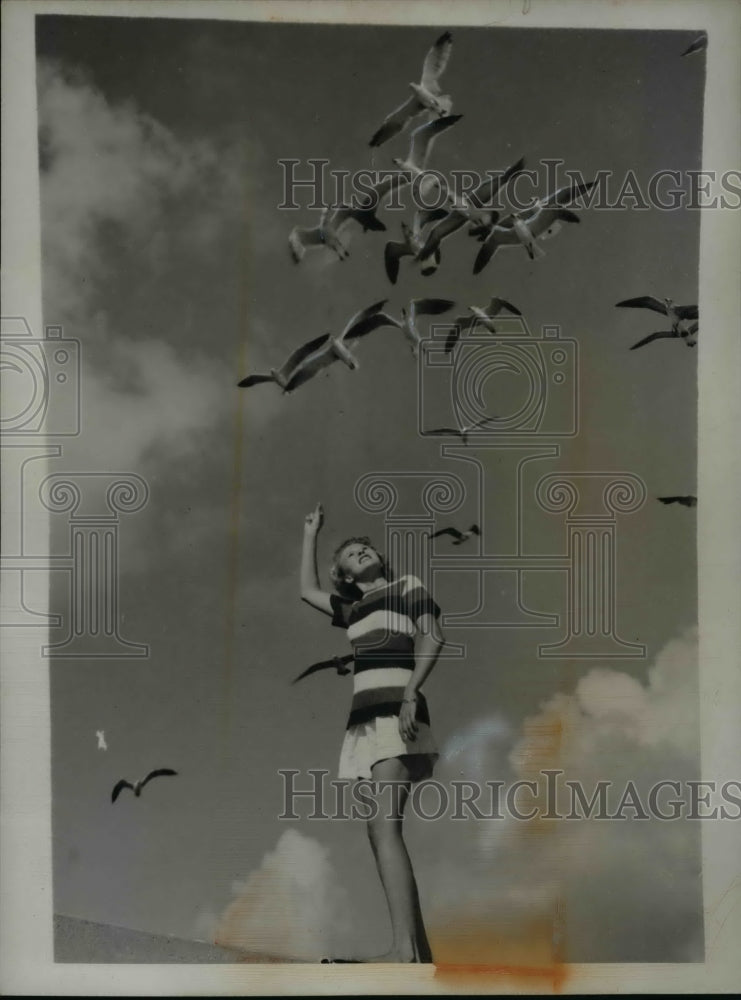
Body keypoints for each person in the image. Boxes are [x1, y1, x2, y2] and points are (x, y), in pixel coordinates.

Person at [300, 501, 445, 963]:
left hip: (397, 712)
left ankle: (405, 953)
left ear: (380, 559)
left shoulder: (407, 586)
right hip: (366, 719)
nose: (361, 553)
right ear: (343, 575)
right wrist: (311, 534)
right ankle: (419, 953)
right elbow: (306, 590)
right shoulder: (354, 608)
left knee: (384, 826)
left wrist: (411, 693)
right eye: (350, 555)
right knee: (377, 828)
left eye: (366, 548)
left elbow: (433, 635)